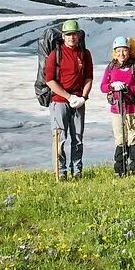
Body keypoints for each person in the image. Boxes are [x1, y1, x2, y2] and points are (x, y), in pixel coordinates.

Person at [43, 19, 92, 180]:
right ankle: (61, 171)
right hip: (59, 101)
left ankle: (77, 171)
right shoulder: (55, 55)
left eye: (74, 34)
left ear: (79, 35)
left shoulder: (85, 54)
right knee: (60, 138)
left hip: (78, 101)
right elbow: (50, 80)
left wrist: (83, 97)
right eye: (68, 34)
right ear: (63, 36)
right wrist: (68, 96)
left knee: (77, 138)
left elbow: (88, 77)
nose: (72, 37)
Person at [102, 37, 135, 177]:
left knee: (134, 138)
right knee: (120, 139)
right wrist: (112, 86)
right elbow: (103, 86)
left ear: (129, 51)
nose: (122, 54)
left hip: (134, 109)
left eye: (124, 51)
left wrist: (127, 88)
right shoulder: (110, 67)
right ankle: (120, 168)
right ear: (114, 52)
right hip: (117, 110)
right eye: (119, 51)